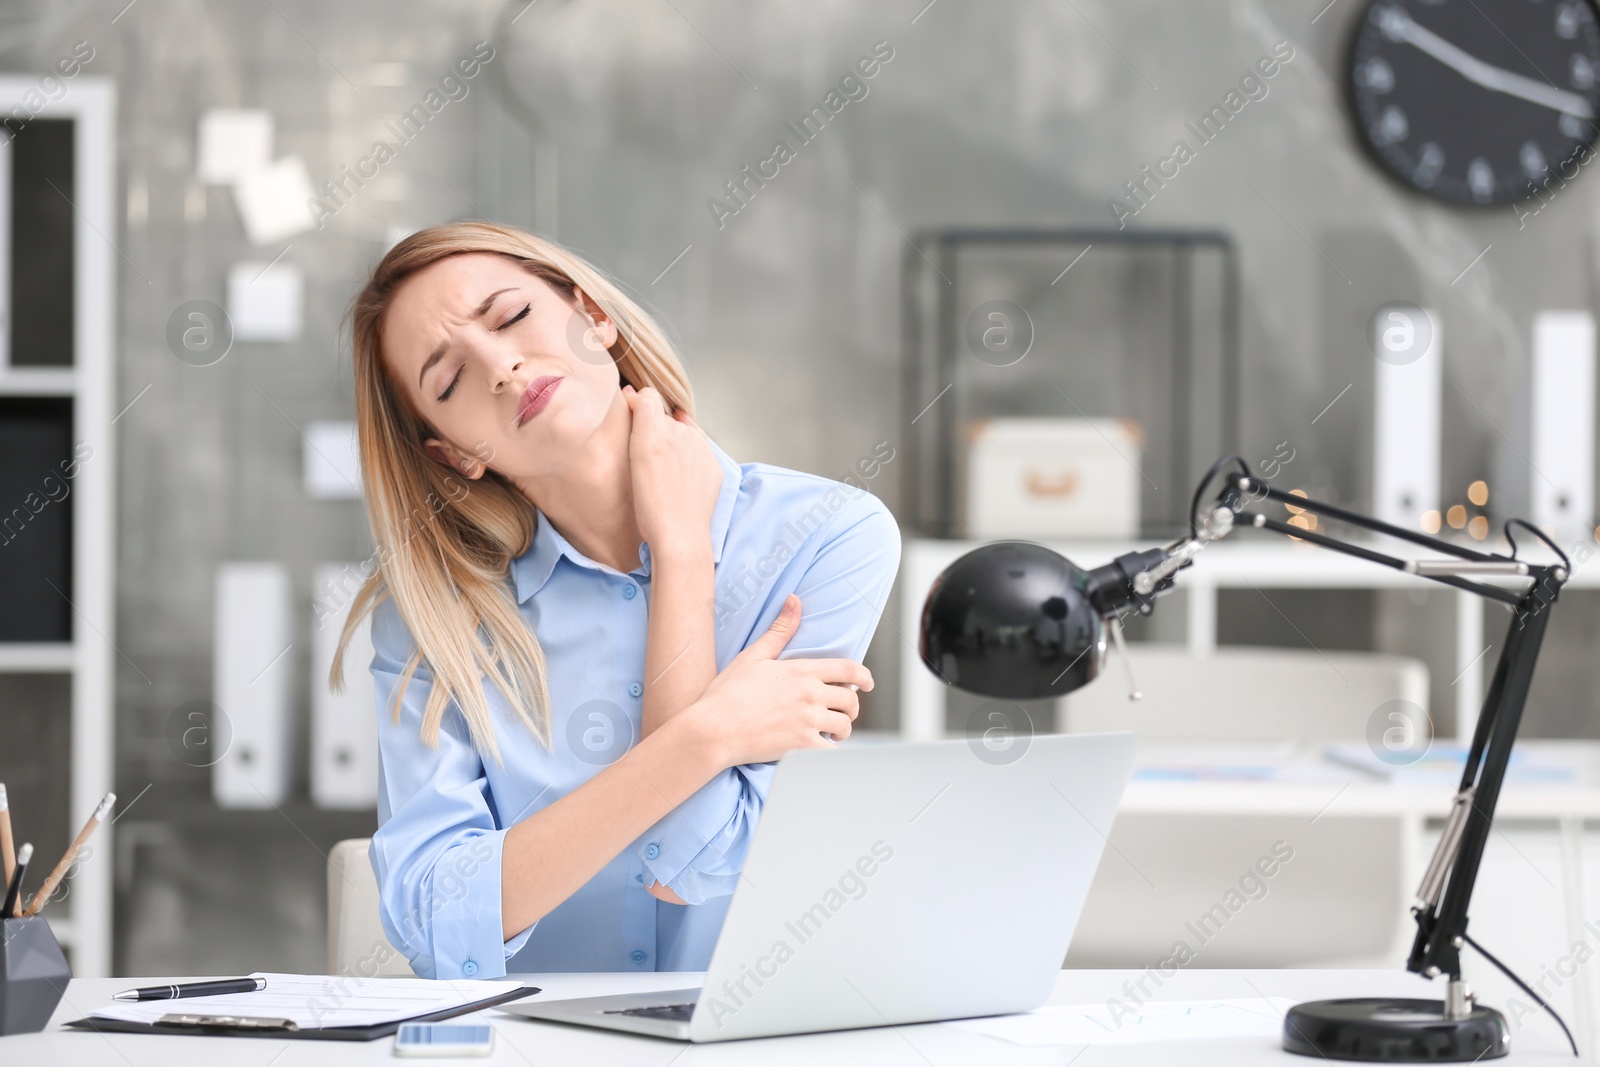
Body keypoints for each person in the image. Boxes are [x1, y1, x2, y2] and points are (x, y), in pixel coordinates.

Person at [329, 221, 901, 979]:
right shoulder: (432, 614)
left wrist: (682, 550)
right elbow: (439, 923)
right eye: (449, 380)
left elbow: (696, 864)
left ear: (592, 314)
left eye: (510, 317)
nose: (500, 365)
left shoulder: (827, 536)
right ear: (455, 453)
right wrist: (711, 732)